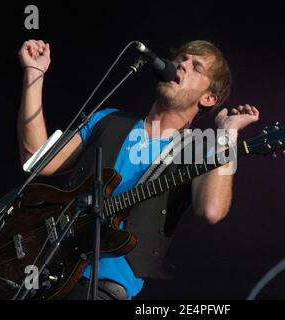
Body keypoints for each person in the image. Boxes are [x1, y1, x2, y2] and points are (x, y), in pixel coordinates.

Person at [17, 39, 259, 300]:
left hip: (98, 288)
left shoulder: (199, 150)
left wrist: (228, 133)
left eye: (196, 67)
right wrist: (34, 74)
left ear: (209, 98)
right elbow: (37, 160)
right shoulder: (108, 120)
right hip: (44, 271)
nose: (182, 65)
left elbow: (211, 210)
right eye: (181, 59)